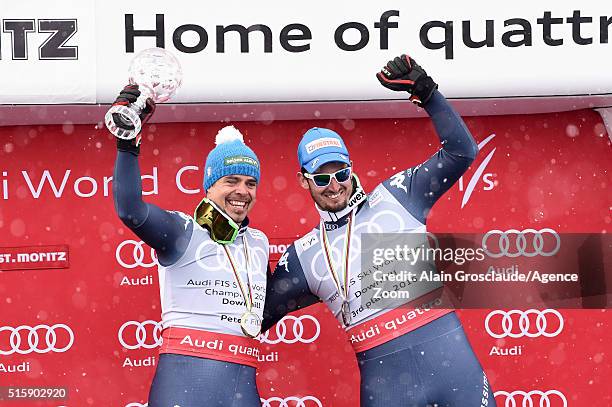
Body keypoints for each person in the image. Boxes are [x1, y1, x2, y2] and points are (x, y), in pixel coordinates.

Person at [262, 55, 496, 406]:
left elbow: (462, 152)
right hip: (388, 388)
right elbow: (252, 316)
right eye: (322, 178)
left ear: (351, 168)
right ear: (304, 181)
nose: (334, 185)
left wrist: (428, 94)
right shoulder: (303, 255)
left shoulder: (398, 195)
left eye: (340, 172)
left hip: (454, 373)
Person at [111, 85, 268, 406]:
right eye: (231, 180)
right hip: (183, 387)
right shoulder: (184, 229)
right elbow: (131, 210)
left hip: (244, 389)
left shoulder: (259, 242)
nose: (242, 191)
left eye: (250, 183)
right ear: (210, 185)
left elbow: (277, 302)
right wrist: (127, 146)